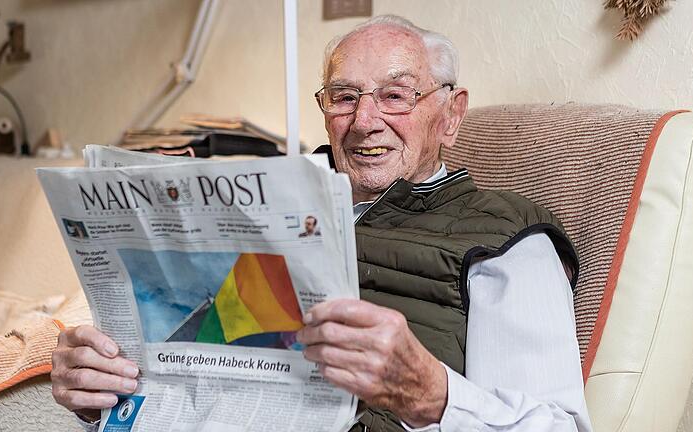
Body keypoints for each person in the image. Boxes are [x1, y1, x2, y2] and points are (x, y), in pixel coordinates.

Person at [51, 15, 591, 432]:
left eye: (395, 96)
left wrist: (433, 396)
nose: (364, 121)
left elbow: (558, 426)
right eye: (345, 97)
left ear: (450, 115)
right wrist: (98, 388)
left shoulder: (503, 237)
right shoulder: (264, 203)